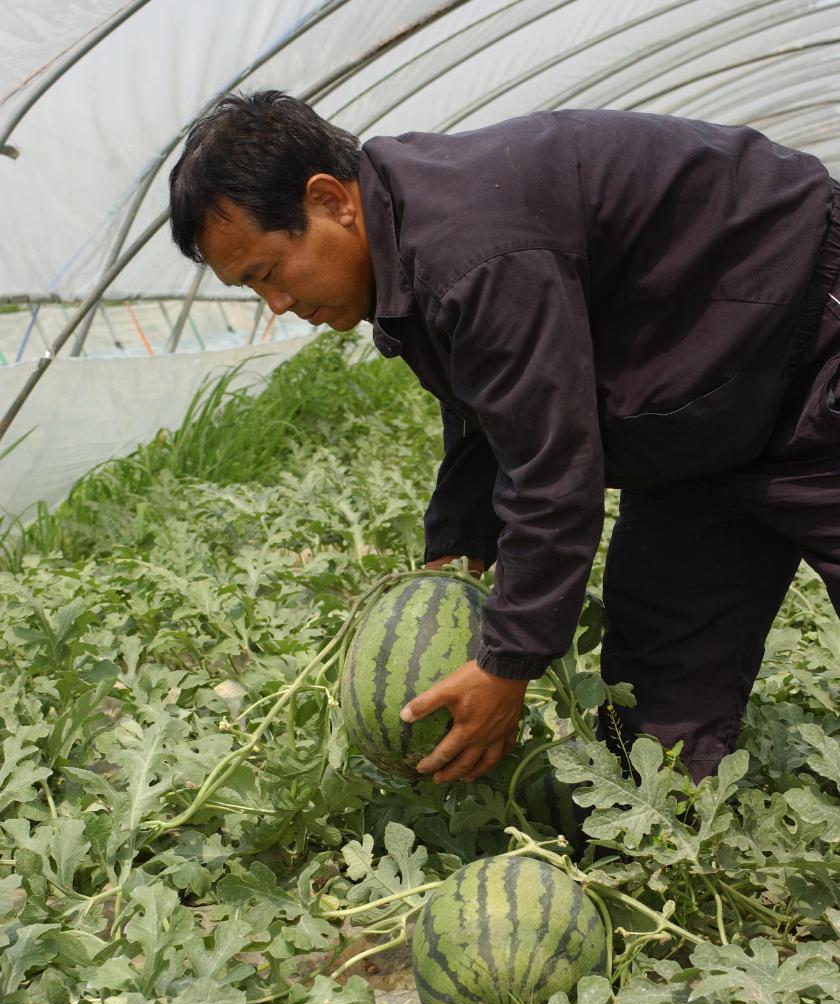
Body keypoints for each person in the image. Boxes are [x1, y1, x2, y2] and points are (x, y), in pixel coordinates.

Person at [168, 91, 840, 787]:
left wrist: (508, 663)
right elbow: (490, 400)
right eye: (251, 289)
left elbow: (553, 465)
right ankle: (671, 842)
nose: (276, 306)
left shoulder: (473, 246)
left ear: (331, 199)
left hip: (813, 333)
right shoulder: (414, 240)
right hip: (699, 414)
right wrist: (462, 535)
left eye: (269, 273)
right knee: (660, 678)